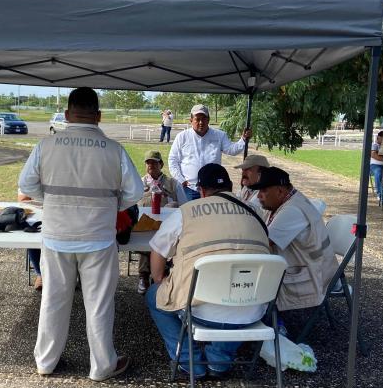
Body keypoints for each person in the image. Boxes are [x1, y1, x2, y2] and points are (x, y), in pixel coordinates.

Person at [18, 87, 144, 381]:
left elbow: (27, 185)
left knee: (53, 299)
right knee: (99, 305)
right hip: (98, 237)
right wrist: (111, 205)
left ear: (66, 114)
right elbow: (135, 192)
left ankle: (46, 362)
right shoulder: (114, 150)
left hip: (57, 235)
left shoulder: (46, 145)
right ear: (98, 116)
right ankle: (102, 367)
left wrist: (51, 201)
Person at [146, 164, 270, 380]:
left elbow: (158, 250)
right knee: (234, 298)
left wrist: (159, 281)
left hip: (199, 310)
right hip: (252, 307)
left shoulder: (187, 212)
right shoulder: (256, 211)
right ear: (231, 187)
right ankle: (219, 361)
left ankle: (187, 360)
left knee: (153, 296)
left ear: (201, 190)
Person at [250, 166, 338, 313]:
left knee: (251, 281)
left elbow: (262, 244)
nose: (259, 196)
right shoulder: (287, 201)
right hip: (309, 267)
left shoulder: (292, 210)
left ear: (280, 191)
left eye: (264, 191)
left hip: (313, 276)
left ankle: (275, 325)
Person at [168, 104, 252, 201]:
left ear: (208, 120)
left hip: (213, 189)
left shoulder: (219, 135)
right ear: (191, 120)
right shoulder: (182, 137)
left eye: (204, 119)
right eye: (197, 119)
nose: (201, 122)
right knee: (189, 215)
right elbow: (173, 160)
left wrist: (243, 139)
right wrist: (181, 180)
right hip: (189, 189)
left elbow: (231, 150)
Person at [136, 150, 187, 295]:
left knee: (161, 241)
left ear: (161, 164)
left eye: (154, 162)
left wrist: (170, 200)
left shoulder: (173, 183)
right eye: (148, 162)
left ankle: (159, 275)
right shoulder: (140, 183)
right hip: (144, 226)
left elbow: (185, 206)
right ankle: (144, 276)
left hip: (167, 228)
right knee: (148, 241)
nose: (151, 165)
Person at [18, 190, 43, 291]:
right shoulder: (33, 175)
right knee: (31, 237)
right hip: (37, 214)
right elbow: (22, 201)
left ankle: (71, 274)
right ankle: (40, 274)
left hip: (63, 215)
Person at [370, 131, 383, 199]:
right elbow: (373, 155)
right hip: (375, 165)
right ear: (378, 137)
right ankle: (380, 194)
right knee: (378, 172)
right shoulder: (375, 145)